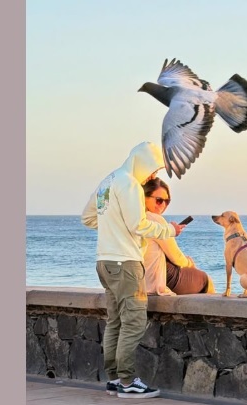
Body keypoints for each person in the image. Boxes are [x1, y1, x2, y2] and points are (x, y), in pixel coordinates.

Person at [81, 142, 185, 399]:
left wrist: (113, 228)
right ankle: (128, 382)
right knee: (134, 321)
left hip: (104, 262)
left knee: (115, 321)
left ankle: (114, 379)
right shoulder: (129, 184)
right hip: (125, 263)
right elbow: (139, 225)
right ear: (143, 162)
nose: (152, 176)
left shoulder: (108, 181)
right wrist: (170, 230)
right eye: (154, 169)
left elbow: (88, 218)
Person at [142, 177, 216, 295]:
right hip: (158, 279)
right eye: (159, 200)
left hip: (139, 280)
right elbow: (176, 257)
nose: (163, 205)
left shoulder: (135, 218)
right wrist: (190, 263)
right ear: (144, 197)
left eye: (167, 201)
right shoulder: (155, 219)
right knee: (206, 280)